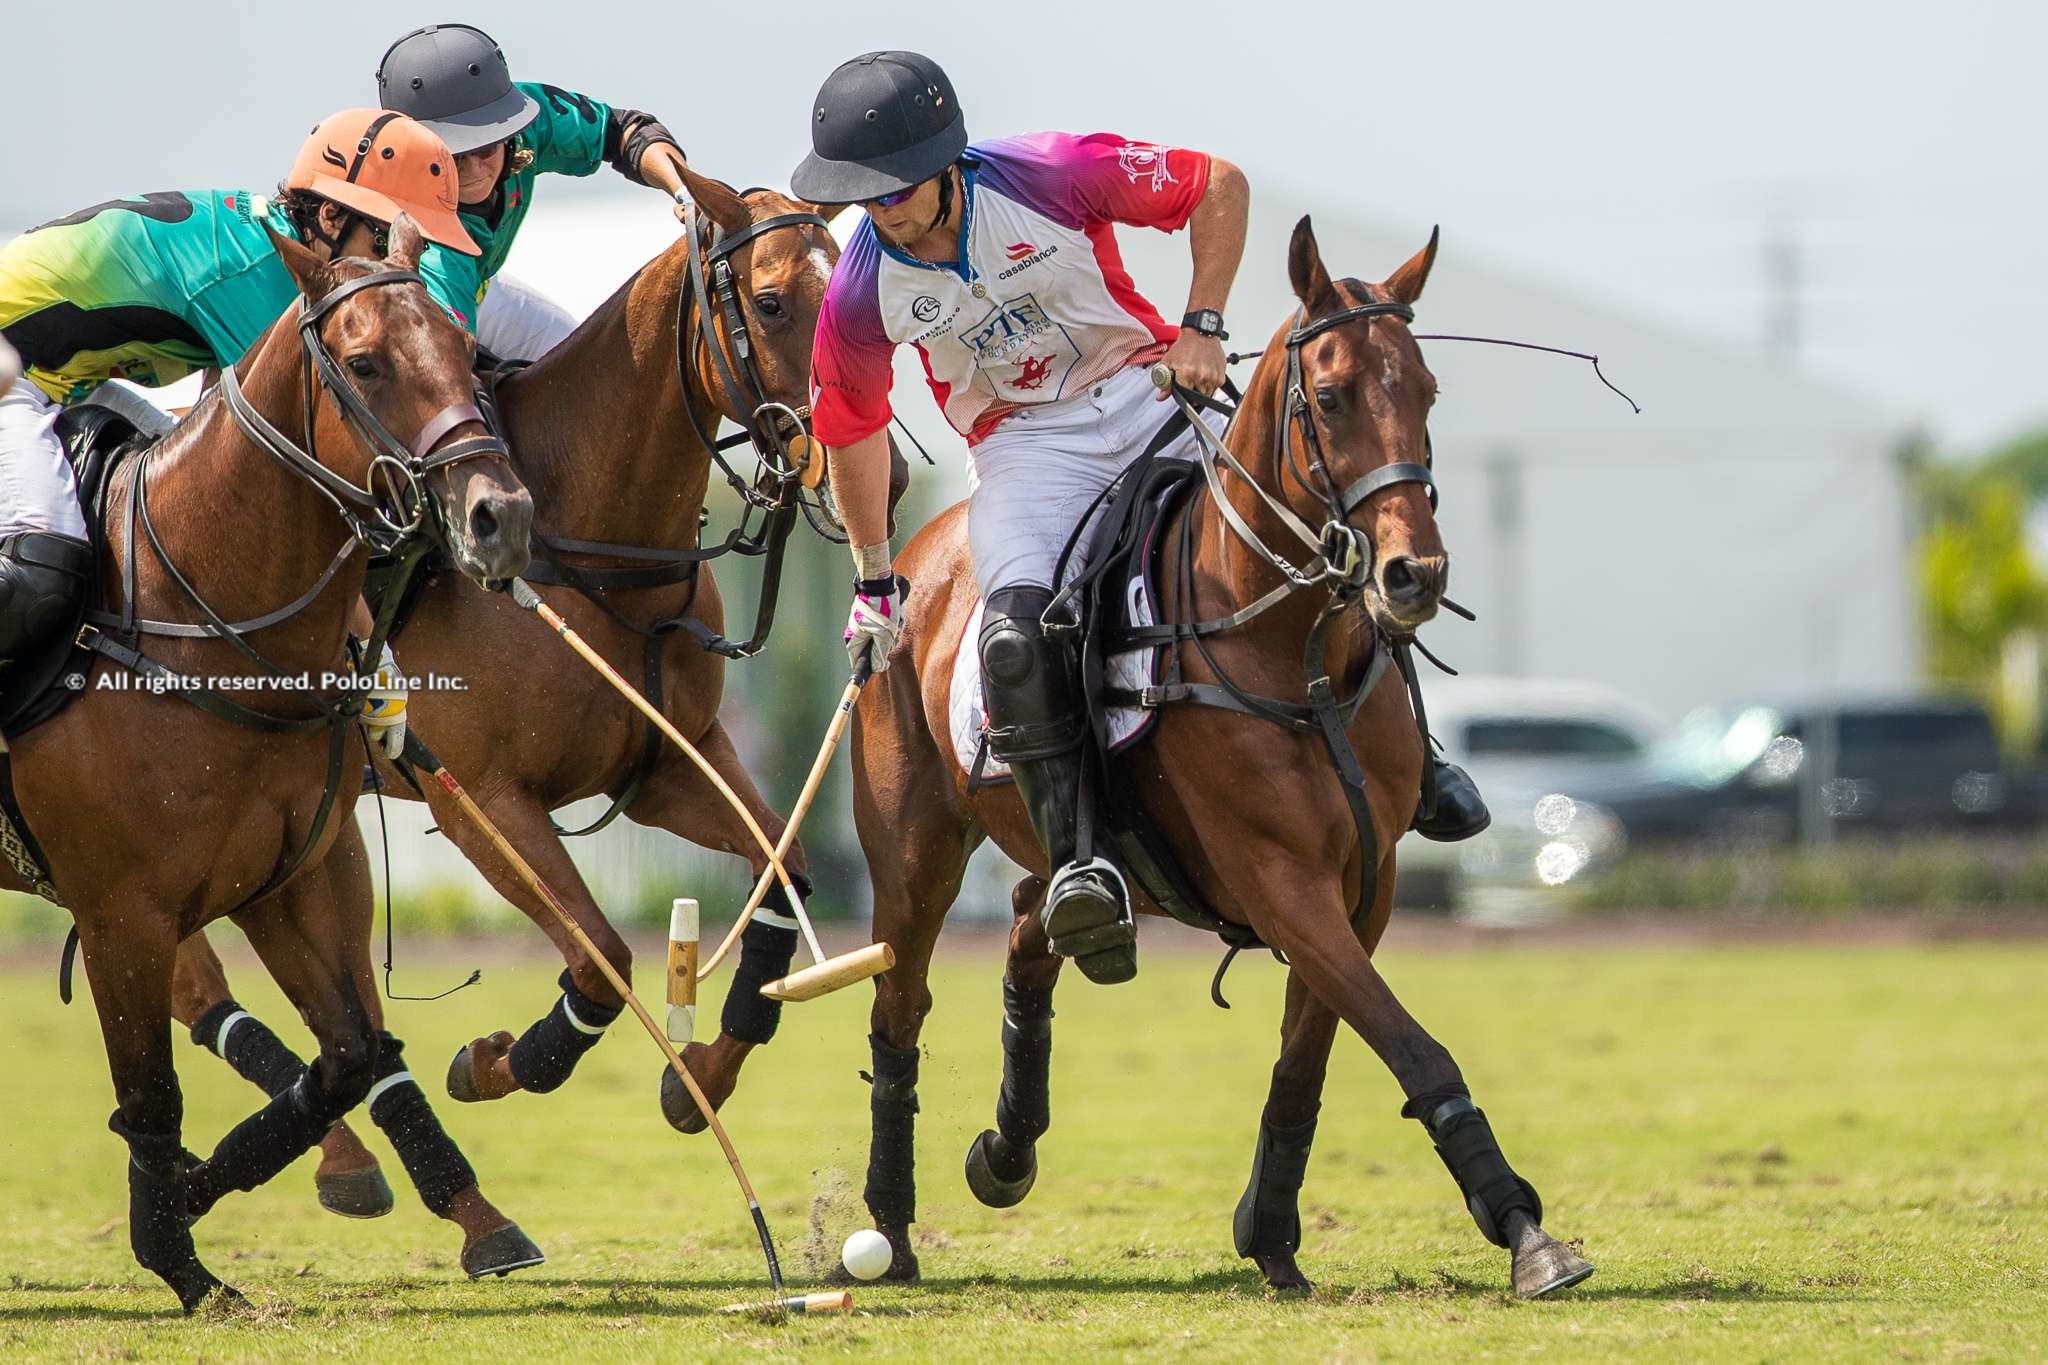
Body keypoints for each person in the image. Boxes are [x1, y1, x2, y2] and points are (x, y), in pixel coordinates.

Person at [794, 52, 1491, 986]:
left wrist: (1203, 325)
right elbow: (851, 429)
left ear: (945, 159)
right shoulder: (857, 292)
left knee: (1317, 538)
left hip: (1147, 390)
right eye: (861, 196)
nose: (881, 210)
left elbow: (1219, 185)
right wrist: (876, 577)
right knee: (1010, 638)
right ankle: (1080, 859)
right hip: (1023, 447)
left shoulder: (1047, 170)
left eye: (894, 189)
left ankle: (1421, 758)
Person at [0, 108, 481, 756]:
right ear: (331, 219)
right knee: (42, 568)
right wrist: (376, 664)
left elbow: (211, 427)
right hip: (15, 375)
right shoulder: (266, 282)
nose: (390, 275)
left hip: (56, 380)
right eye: (383, 243)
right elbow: (280, 479)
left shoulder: (273, 252)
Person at [374, 23, 691, 363]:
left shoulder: (529, 119)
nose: (476, 170)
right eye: (452, 156)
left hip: (482, 291)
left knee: (585, 367)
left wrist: (685, 192)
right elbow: (440, 360)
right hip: (396, 317)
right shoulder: (422, 237)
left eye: (485, 149)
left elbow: (628, 132)